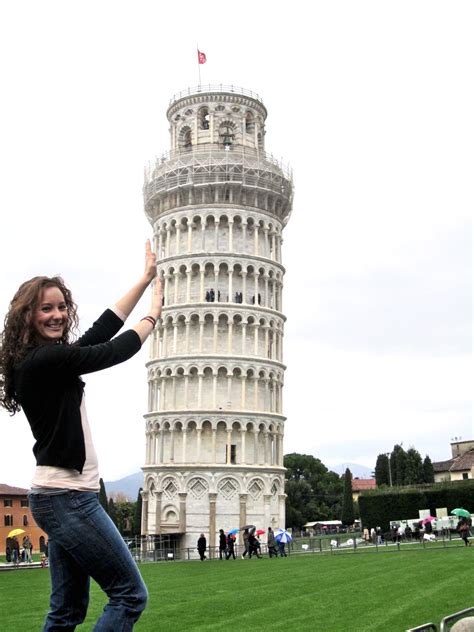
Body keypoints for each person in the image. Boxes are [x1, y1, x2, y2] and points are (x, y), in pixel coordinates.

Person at [0, 240, 161, 630]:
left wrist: (143, 281)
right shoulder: (46, 360)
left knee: (67, 611)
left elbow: (100, 331)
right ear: (28, 315)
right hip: (67, 499)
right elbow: (111, 351)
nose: (57, 315)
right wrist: (153, 315)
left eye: (60, 307)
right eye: (46, 309)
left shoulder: (48, 361)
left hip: (59, 497)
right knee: (129, 595)